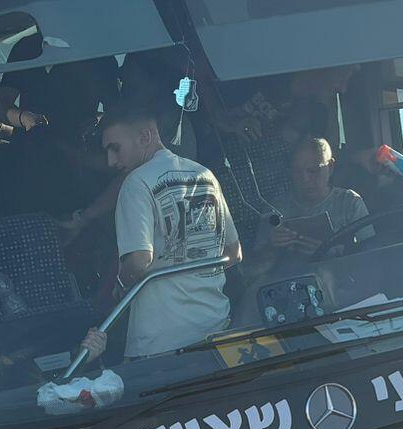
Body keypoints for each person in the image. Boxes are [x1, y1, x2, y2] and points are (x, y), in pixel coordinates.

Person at [99, 106, 240, 358]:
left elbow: (139, 260)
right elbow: (234, 253)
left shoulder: (136, 183)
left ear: (144, 137)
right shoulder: (205, 175)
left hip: (161, 342)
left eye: (115, 148)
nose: (111, 161)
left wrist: (120, 283)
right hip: (215, 329)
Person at [260, 137, 369, 271]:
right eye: (297, 171)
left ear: (330, 167)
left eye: (313, 171)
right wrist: (271, 245)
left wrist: (333, 251)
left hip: (343, 281)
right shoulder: (276, 208)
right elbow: (254, 264)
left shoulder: (350, 203)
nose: (305, 179)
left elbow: (370, 254)